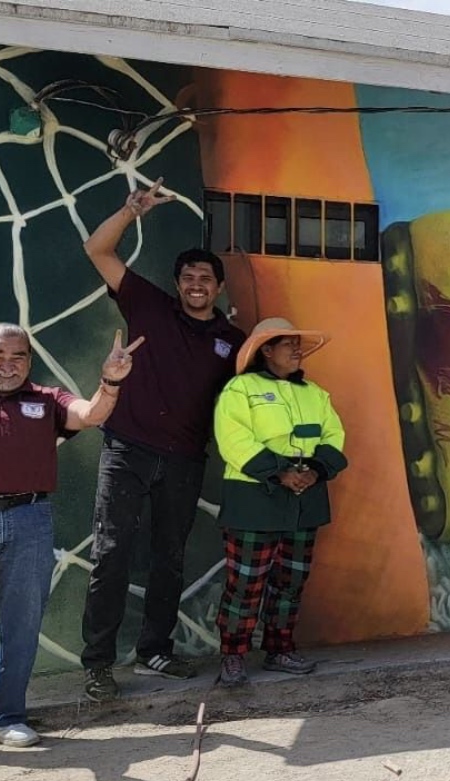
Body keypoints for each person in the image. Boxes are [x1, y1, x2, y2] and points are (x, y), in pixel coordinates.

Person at [0, 289, 140, 766]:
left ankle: (5, 718)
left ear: (29, 362)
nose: (7, 364)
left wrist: (110, 381)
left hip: (29, 519)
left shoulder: (46, 398)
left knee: (22, 623)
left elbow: (92, 414)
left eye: (18, 356)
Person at [79, 178, 247, 702]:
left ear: (219, 288)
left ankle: (155, 651)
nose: (197, 284)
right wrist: (131, 211)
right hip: (127, 449)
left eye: (205, 278)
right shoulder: (148, 304)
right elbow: (97, 249)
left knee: (169, 557)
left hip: (184, 460)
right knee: (112, 553)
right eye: (188, 277)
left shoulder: (232, 341)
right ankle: (98, 664)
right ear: (177, 283)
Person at [212, 318, 346, 687]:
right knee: (245, 582)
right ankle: (233, 655)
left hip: (305, 500)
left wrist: (316, 470)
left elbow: (334, 434)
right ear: (266, 350)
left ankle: (279, 648)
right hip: (254, 499)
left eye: (298, 343)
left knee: (291, 580)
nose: (297, 349)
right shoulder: (240, 389)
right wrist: (280, 472)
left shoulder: (315, 393)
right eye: (288, 344)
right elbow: (233, 439)